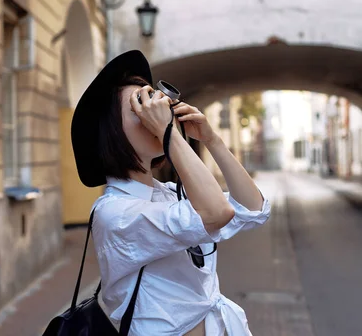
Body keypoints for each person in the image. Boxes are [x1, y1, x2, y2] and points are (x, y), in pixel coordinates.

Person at [71, 50, 271, 335]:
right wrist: (169, 133)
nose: (155, 109)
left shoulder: (166, 194)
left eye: (154, 100)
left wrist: (211, 140)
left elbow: (252, 210)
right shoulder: (114, 213)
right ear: (113, 130)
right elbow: (216, 213)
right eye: (139, 106)